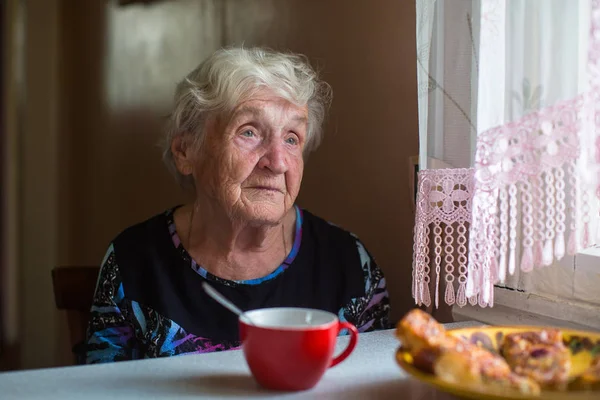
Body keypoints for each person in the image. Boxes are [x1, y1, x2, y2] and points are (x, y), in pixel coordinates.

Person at [83, 47, 391, 364]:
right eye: (249, 131)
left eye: (291, 138)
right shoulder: (135, 262)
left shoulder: (348, 263)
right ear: (186, 151)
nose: (278, 162)